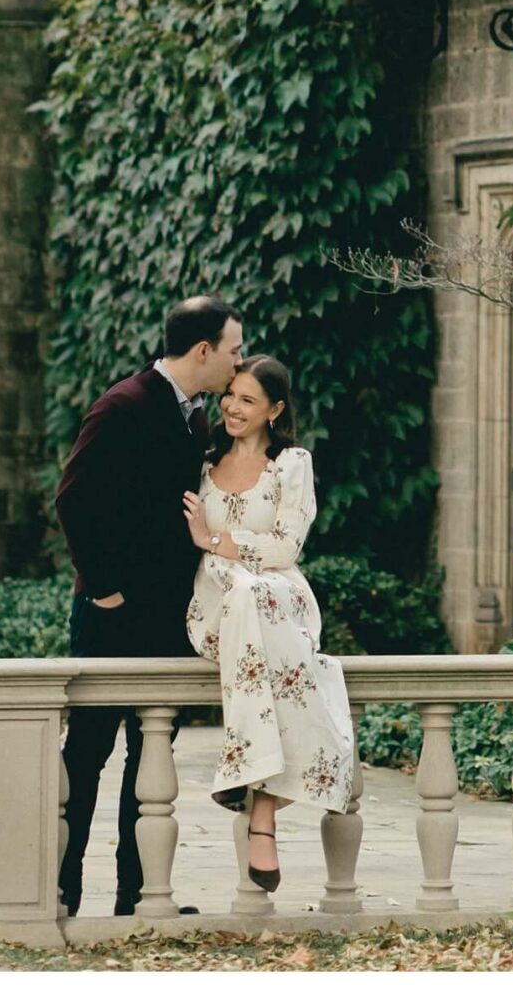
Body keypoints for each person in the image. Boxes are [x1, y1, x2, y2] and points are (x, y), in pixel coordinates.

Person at [54, 295, 243, 917]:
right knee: (86, 756)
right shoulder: (124, 405)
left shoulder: (192, 418)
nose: (238, 362)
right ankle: (60, 890)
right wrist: (105, 587)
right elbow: (73, 500)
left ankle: (136, 896)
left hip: (165, 617)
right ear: (202, 351)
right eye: (234, 349)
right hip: (111, 616)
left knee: (150, 754)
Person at [182, 354, 357, 892]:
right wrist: (221, 555)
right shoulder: (202, 461)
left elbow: (286, 546)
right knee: (242, 594)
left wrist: (212, 539)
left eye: (247, 400)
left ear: (275, 410)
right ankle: (271, 801)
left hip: (280, 600)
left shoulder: (292, 464)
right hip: (217, 605)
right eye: (229, 394)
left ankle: (257, 803)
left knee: (257, 591)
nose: (232, 406)